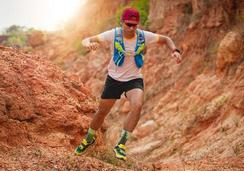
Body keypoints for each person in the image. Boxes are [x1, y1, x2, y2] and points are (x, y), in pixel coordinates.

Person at [75, 7, 182, 161]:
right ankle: (89, 138)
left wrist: (175, 50)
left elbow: (165, 39)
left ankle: (121, 144)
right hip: (114, 79)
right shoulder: (113, 34)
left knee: (137, 105)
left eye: (134, 25)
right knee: (102, 112)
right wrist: (88, 44)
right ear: (122, 22)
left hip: (134, 79)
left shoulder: (143, 36)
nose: (131, 28)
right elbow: (87, 39)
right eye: (128, 24)